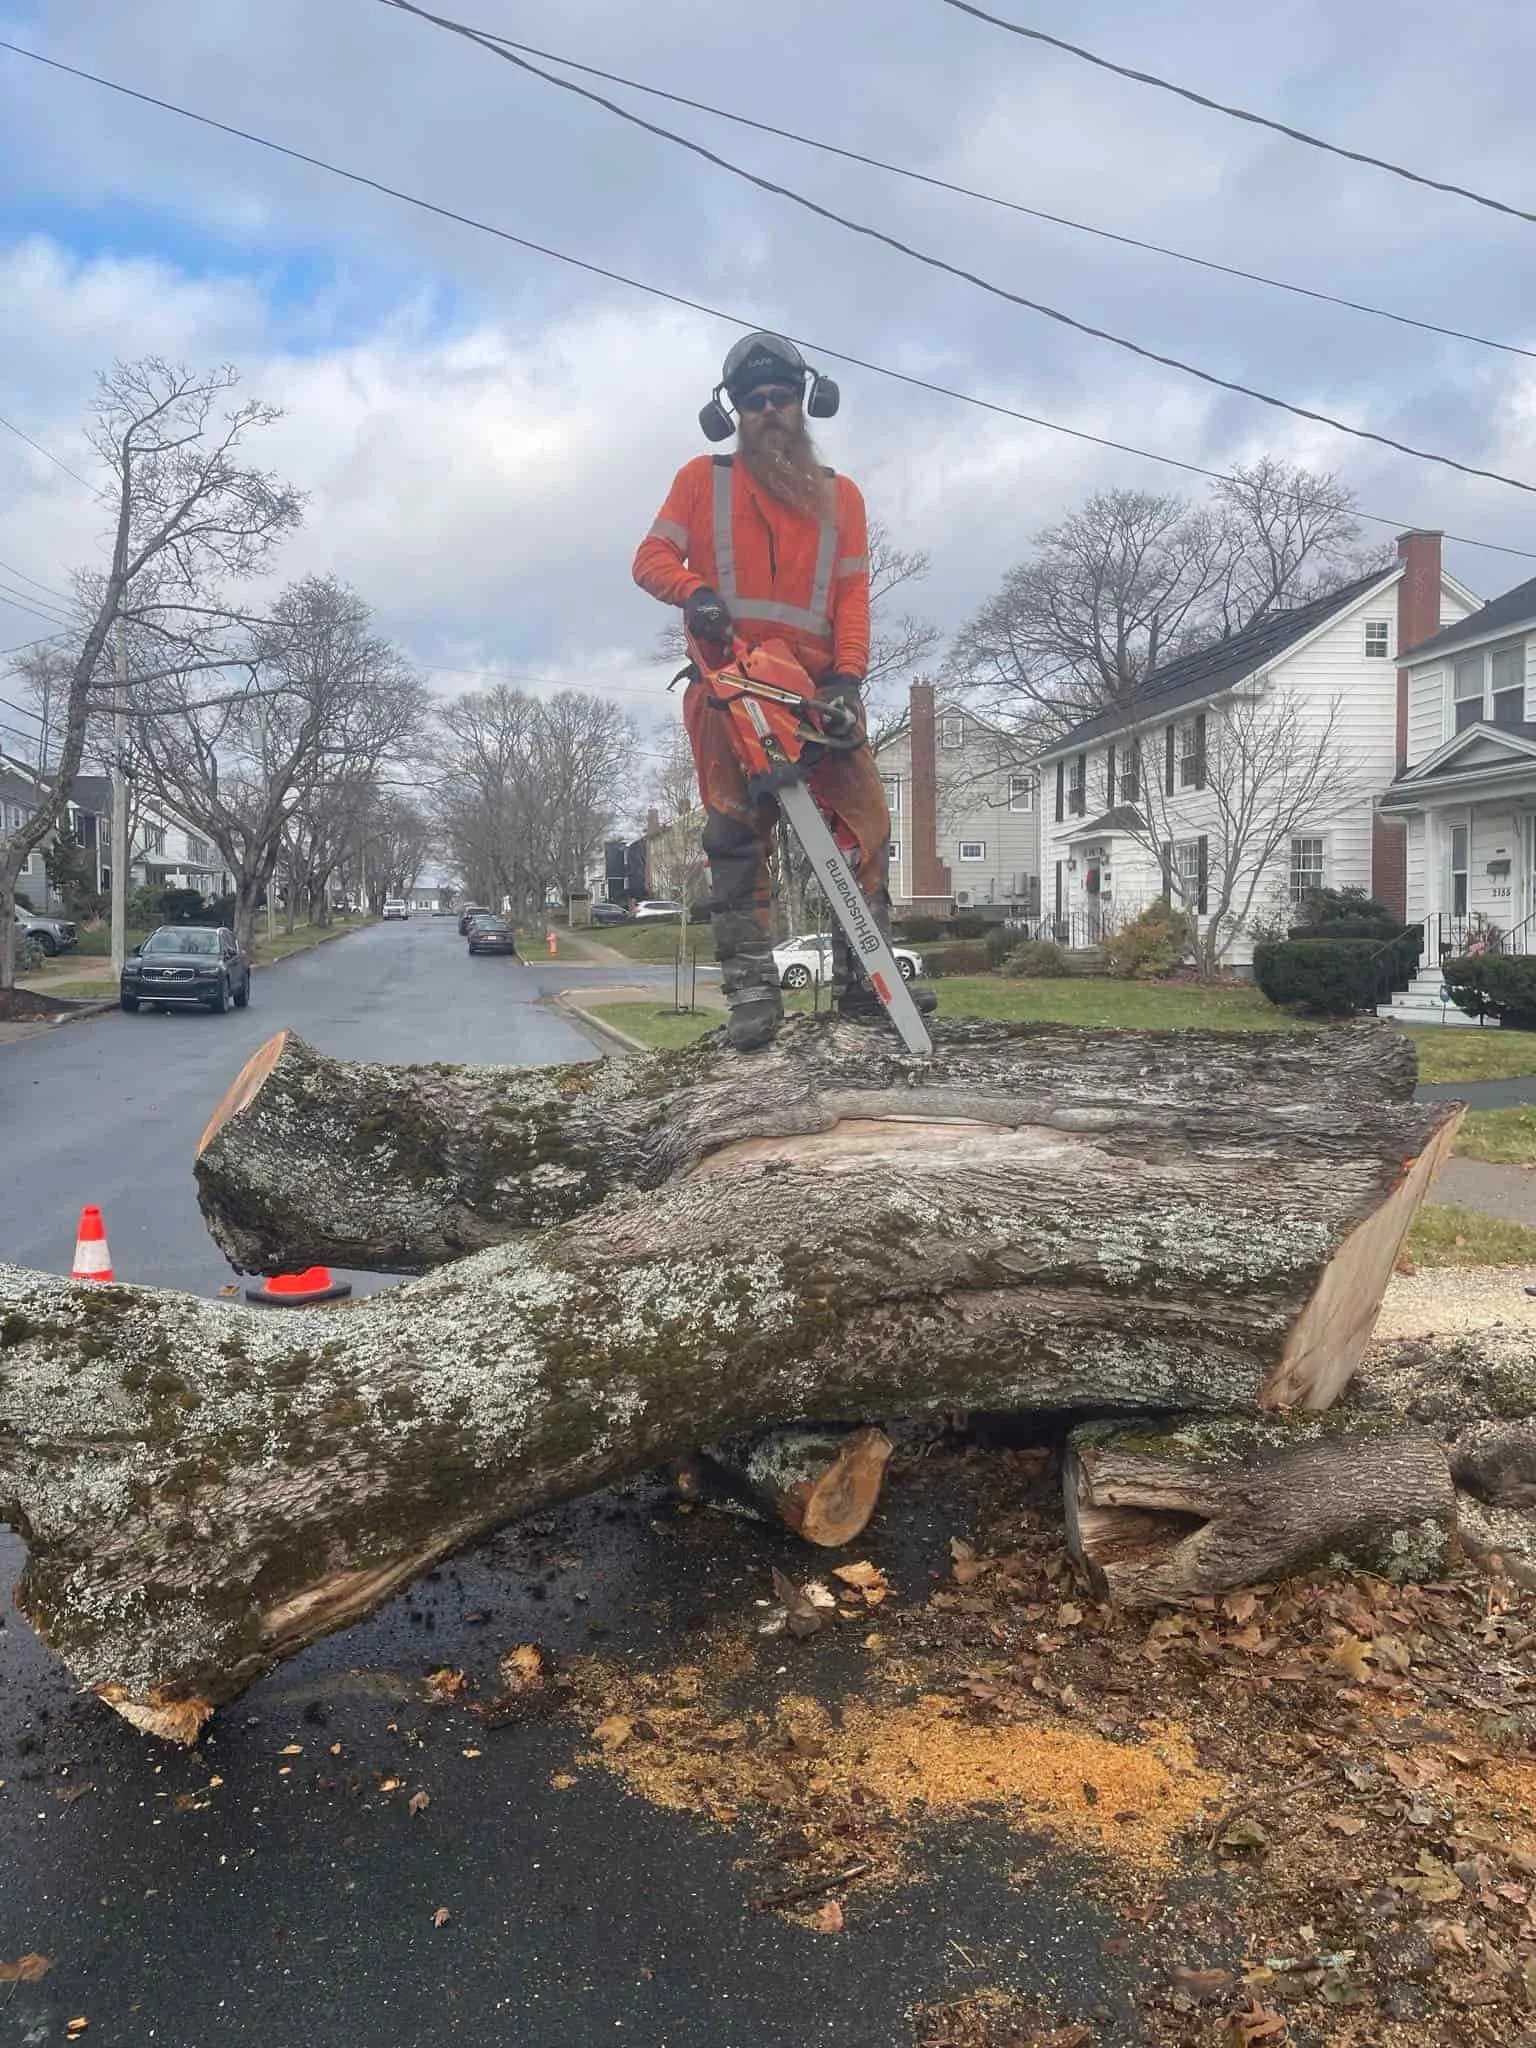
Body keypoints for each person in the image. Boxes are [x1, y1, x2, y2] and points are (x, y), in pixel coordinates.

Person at [633, 331, 936, 1051]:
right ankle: (750, 988)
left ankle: (868, 981)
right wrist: (694, 591)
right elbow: (648, 559)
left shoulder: (843, 499)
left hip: (817, 691)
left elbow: (853, 596)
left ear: (806, 403)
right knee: (735, 836)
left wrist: (849, 674)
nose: (770, 411)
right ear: (732, 412)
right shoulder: (700, 482)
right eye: (754, 401)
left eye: (781, 398)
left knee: (865, 829)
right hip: (731, 686)